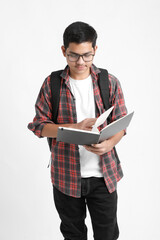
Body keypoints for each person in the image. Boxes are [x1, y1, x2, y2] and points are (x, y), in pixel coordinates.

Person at [28, 21, 127, 240]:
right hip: (65, 175)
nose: (81, 62)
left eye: (87, 55)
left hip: (104, 176)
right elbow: (38, 126)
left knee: (108, 235)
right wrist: (74, 127)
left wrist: (109, 144)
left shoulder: (109, 82)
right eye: (73, 55)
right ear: (64, 51)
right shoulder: (52, 83)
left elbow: (121, 122)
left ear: (95, 50)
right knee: (73, 235)